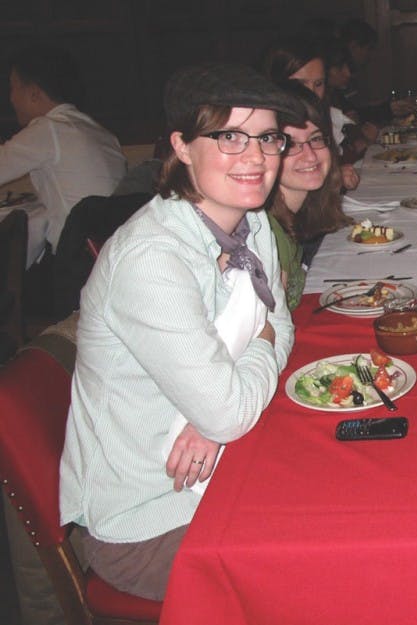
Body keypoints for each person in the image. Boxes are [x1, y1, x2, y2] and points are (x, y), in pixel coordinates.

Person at [59, 62, 298, 601]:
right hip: (150, 519)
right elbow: (245, 382)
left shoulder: (250, 222)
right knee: (320, 567)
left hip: (224, 470)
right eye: (230, 136)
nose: (256, 157)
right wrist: (229, 397)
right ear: (183, 146)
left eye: (268, 138)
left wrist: (220, 412)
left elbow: (281, 322)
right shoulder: (152, 259)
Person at [0, 44, 126, 252]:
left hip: (80, 258)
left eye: (13, 88)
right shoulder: (99, 131)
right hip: (112, 248)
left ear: (34, 94)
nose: (11, 98)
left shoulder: (50, 129)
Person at [267, 83, 351, 310]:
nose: (310, 155)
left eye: (315, 139)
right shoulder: (266, 234)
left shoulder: (293, 216)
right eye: (290, 144)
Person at [260, 37, 361, 189]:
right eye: (300, 84)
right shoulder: (265, 125)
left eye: (318, 84)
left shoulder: (323, 113)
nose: (311, 94)